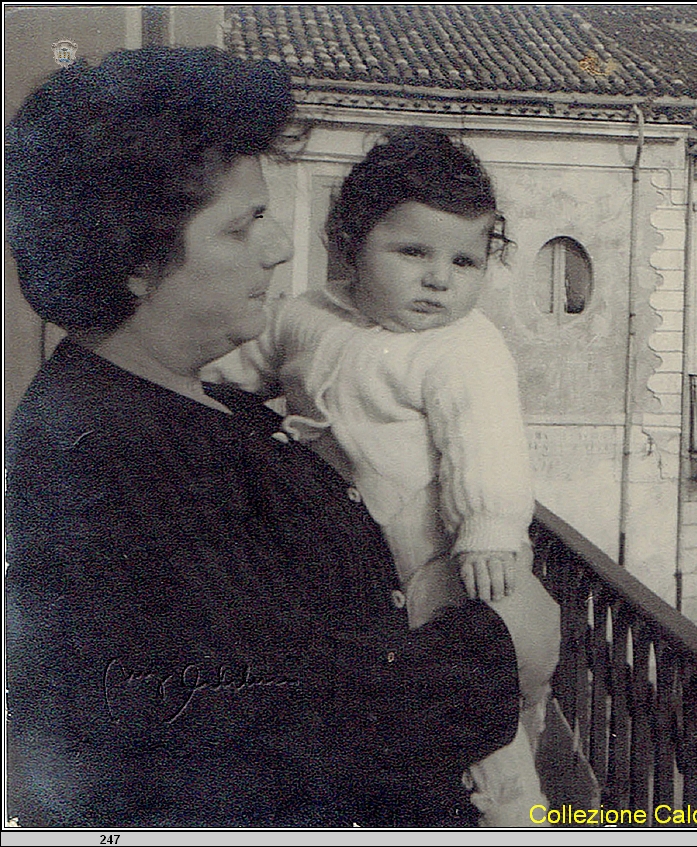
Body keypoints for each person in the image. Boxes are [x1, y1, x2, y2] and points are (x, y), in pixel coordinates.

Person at [4, 47, 520, 827]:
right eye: (245, 224)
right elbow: (281, 736)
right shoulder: (114, 455)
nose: (281, 247)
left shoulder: (203, 402)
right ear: (141, 259)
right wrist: (501, 648)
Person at [205, 127, 560, 826]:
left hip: (445, 558)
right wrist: (211, 385)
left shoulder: (463, 346)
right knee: (402, 699)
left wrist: (488, 526)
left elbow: (487, 441)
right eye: (413, 252)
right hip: (362, 563)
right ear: (349, 243)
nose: (440, 278)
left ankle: (518, 815)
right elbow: (246, 372)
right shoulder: (308, 314)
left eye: (466, 260)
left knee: (484, 717)